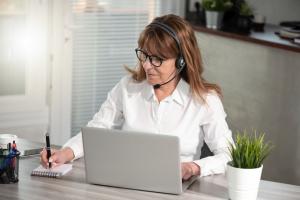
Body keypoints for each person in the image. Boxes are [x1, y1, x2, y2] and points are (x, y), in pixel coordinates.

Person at [40, 14, 233, 181]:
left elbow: (228, 154)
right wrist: (66, 153)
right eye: (145, 56)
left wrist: (194, 167)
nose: (148, 66)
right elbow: (97, 128)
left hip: (178, 188)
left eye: (157, 59)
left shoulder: (205, 99)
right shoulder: (128, 87)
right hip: (126, 182)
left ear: (181, 61)